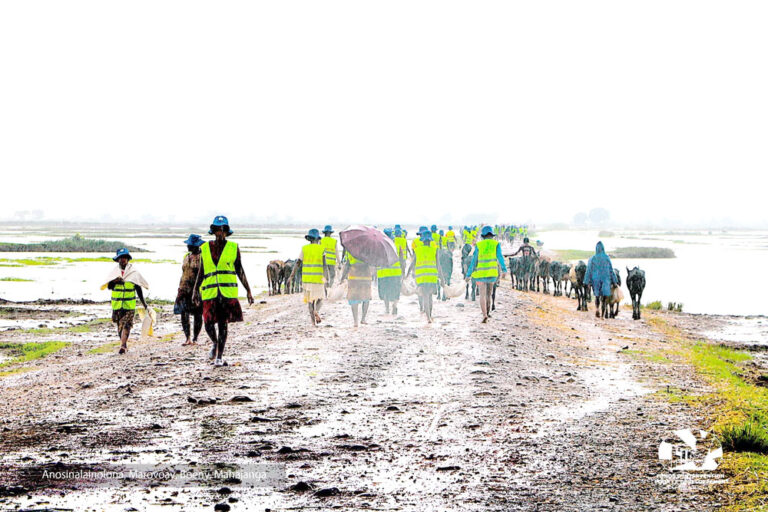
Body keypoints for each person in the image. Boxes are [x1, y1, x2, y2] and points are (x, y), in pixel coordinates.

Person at [192, 215, 254, 367]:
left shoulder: (233, 248)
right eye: (217, 230)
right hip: (210, 292)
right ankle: (215, 342)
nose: (220, 233)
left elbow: (240, 270)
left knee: (223, 324)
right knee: (207, 323)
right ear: (213, 231)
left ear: (226, 232)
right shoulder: (205, 248)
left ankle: (219, 357)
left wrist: (248, 290)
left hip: (227, 293)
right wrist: (195, 291)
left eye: (222, 230)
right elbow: (201, 271)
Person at [106, 248, 149, 354]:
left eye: (124, 257)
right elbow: (109, 286)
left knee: (127, 324)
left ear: (128, 259)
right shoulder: (114, 273)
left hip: (129, 304)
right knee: (119, 326)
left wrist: (144, 304)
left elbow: (138, 289)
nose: (123, 260)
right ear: (118, 260)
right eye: (121, 258)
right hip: (117, 304)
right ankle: (123, 342)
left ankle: (123, 345)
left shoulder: (134, 273)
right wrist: (115, 281)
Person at [466, 226, 508, 322]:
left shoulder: (479, 245)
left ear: (483, 236)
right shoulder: (496, 244)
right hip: (492, 274)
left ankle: (484, 314)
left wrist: (468, 274)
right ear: (492, 235)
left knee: (482, 295)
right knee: (489, 295)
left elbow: (474, 261)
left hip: (480, 275)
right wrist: (504, 270)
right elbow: (500, 257)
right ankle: (488, 313)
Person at [291, 228, 327, 326]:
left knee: (310, 302)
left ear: (309, 239)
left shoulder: (304, 248)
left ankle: (312, 323)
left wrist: (292, 275)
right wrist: (326, 277)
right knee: (320, 298)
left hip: (306, 280)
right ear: (317, 239)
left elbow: (298, 263)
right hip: (318, 279)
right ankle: (316, 311)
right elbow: (324, 265)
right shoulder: (322, 249)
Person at [174, 234, 204, 346]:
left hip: (197, 290)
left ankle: (195, 338)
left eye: (190, 245)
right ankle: (187, 338)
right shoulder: (186, 256)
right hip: (184, 288)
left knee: (198, 314)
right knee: (184, 313)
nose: (188, 246)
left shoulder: (202, 257)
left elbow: (202, 275)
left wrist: (197, 290)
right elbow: (184, 273)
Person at [407, 229, 442, 323]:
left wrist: (407, 274)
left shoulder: (418, 250)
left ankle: (428, 317)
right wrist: (442, 278)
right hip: (432, 277)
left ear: (422, 240)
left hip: (422, 277)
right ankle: (430, 314)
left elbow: (413, 263)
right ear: (430, 240)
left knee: (425, 296)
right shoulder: (435, 249)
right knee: (430, 297)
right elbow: (438, 264)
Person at [585, 241, 618, 318]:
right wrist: (615, 281)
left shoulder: (592, 258)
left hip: (595, 280)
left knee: (597, 296)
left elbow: (588, 270)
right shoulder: (607, 258)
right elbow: (611, 270)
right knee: (604, 298)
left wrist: (587, 281)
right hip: (605, 279)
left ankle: (597, 308)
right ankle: (602, 315)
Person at [340, 252, 373, 327]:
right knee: (366, 297)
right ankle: (363, 319)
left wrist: (342, 277)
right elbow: (372, 264)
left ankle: (355, 321)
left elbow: (347, 265)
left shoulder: (350, 250)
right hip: (366, 276)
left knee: (354, 298)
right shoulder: (368, 250)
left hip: (354, 277)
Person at [377, 228, 403, 315]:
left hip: (383, 273)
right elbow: (402, 259)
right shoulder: (397, 245)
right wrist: (403, 271)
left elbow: (375, 259)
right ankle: (395, 305)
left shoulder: (379, 246)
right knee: (396, 290)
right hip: (395, 272)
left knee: (385, 291)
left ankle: (387, 308)